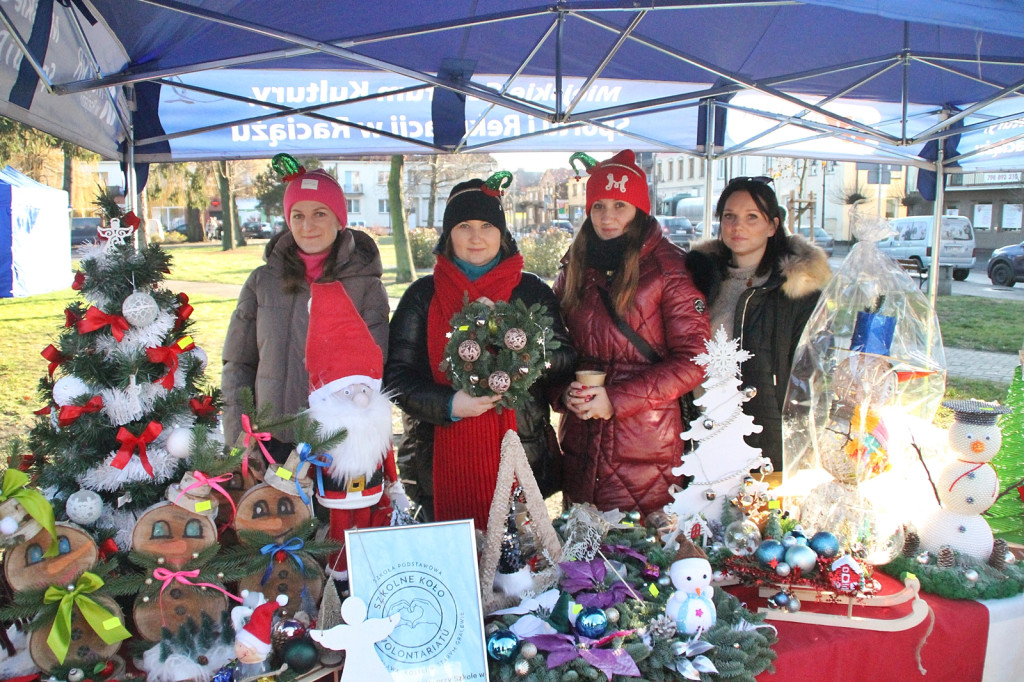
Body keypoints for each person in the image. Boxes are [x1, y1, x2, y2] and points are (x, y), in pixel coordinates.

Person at [384, 173, 576, 531]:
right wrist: (448, 404)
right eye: (464, 226)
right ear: (448, 234)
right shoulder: (422, 297)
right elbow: (396, 378)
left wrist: (519, 340)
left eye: (487, 225)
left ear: (501, 233)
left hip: (520, 464)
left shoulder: (530, 290)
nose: (476, 236)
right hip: (437, 467)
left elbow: (564, 359)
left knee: (520, 575)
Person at [554, 150, 710, 517]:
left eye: (620, 205)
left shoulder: (669, 268)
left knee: (639, 555)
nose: (607, 217)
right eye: (598, 206)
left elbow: (694, 360)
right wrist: (561, 393)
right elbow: (554, 347)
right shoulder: (575, 263)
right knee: (579, 552)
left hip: (645, 440)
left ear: (640, 209)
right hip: (581, 436)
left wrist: (616, 399)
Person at [221, 162, 389, 450]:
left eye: (319, 214)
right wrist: (240, 440)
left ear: (339, 220)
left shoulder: (367, 288)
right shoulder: (262, 283)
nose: (307, 226)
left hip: (339, 444)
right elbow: (238, 366)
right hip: (271, 441)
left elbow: (375, 371)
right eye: (297, 215)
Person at [686, 176, 831, 472]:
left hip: (763, 434)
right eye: (730, 216)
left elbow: (810, 375)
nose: (738, 226)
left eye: (752, 217)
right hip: (700, 427)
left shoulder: (797, 290)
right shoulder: (698, 279)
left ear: (772, 225)